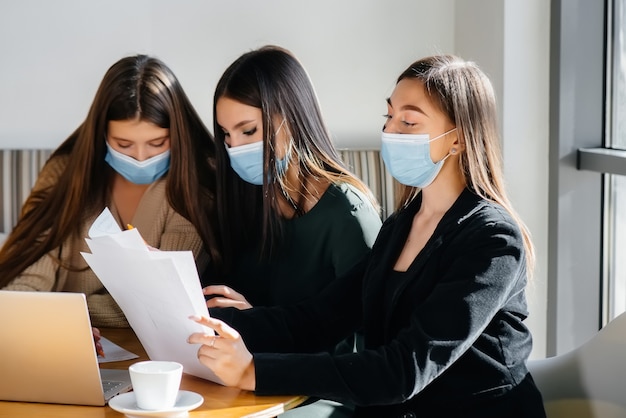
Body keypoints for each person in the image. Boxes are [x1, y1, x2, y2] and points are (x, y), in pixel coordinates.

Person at [188, 54, 547, 418]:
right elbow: (320, 318)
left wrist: (254, 372)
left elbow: (404, 369)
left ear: (458, 140)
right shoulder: (401, 226)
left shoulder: (493, 239)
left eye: (408, 121)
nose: (390, 132)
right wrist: (200, 319)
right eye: (388, 117)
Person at [0, 55, 219, 331]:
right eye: (123, 144)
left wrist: (65, 312)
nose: (140, 157)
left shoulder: (194, 186)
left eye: (157, 143)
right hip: (58, 335)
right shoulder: (64, 174)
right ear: (101, 135)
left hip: (148, 350)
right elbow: (27, 277)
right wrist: (46, 320)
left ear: (178, 135)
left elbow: (161, 302)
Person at [202, 45, 381, 312]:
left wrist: (257, 323)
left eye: (249, 131)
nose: (235, 148)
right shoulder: (244, 194)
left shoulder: (347, 212)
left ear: (291, 119)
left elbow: (364, 337)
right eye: (226, 134)